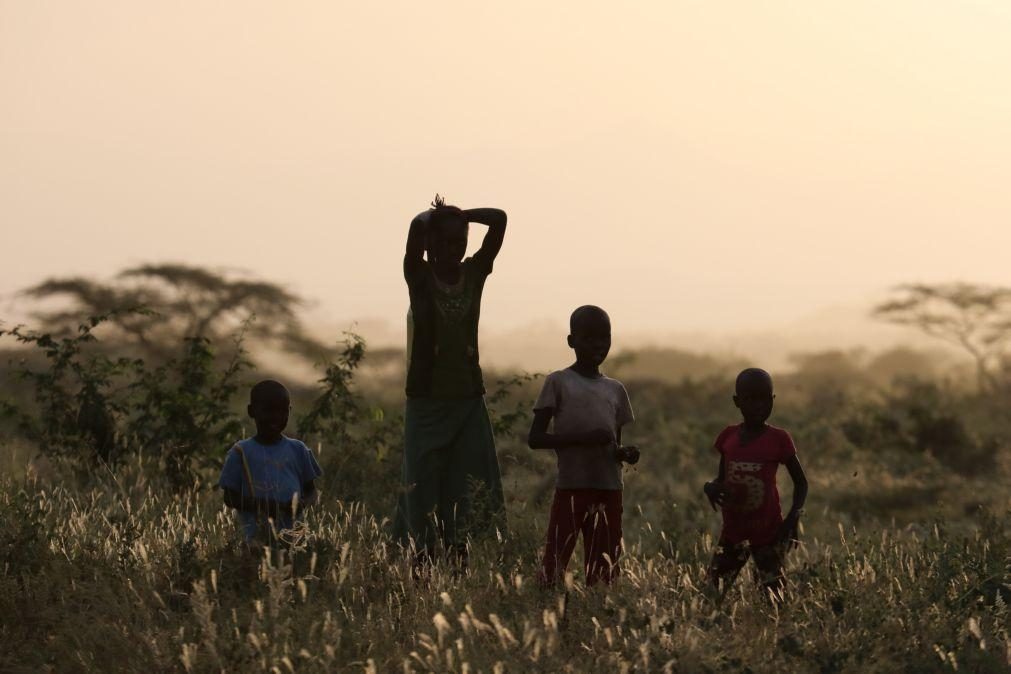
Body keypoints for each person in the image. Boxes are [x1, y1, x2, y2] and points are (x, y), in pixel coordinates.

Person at [393, 194, 508, 571]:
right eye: (443, 242)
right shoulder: (419, 277)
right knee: (422, 488)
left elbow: (499, 220)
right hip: (426, 402)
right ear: (429, 245)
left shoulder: (474, 274)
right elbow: (414, 229)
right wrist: (437, 217)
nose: (452, 249)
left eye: (459, 241)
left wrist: (461, 216)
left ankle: (460, 565)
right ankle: (421, 567)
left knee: (469, 486)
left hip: (467, 400)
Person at [528, 305, 639, 586]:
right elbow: (535, 439)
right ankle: (550, 615)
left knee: (603, 572)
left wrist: (625, 454)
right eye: (589, 338)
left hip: (609, 488)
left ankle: (596, 619)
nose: (598, 345)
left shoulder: (615, 389)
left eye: (604, 337)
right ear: (571, 341)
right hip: (572, 487)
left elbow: (615, 444)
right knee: (554, 564)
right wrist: (584, 439)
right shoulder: (559, 382)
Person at [703, 368, 808, 597]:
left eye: (764, 398)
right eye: (750, 399)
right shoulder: (728, 437)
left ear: (773, 400)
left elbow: (801, 483)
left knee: (775, 600)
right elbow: (722, 479)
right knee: (711, 595)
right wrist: (709, 487)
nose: (758, 405)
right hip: (733, 533)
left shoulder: (779, 439)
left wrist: (793, 519)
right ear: (737, 402)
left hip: (769, 534)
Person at [219, 379, 322, 545]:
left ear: (289, 411)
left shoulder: (299, 450)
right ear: (251, 411)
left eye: (282, 411)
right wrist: (263, 506)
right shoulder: (240, 452)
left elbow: (312, 492)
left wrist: (300, 504)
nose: (276, 417)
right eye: (268, 410)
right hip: (253, 541)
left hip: (294, 540)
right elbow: (230, 498)